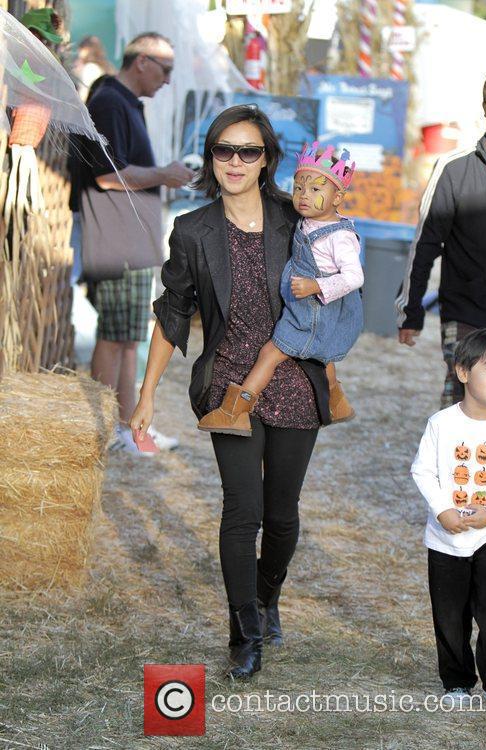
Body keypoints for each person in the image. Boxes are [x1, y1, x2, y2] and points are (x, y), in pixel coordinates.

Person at [130, 104, 333, 679]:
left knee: (282, 515)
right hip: (229, 389)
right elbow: (173, 314)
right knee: (241, 510)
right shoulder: (193, 230)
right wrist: (147, 395)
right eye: (225, 150)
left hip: (293, 378)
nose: (236, 162)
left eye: (249, 151)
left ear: (267, 159)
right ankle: (244, 632)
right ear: (211, 157)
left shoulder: (296, 222)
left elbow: (341, 278)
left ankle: (269, 597)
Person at [78, 32, 194, 454]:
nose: (167, 80)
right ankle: (103, 431)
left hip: (128, 239)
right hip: (115, 239)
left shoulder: (122, 103)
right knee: (115, 337)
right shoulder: (109, 102)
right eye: (165, 70)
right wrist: (163, 174)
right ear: (142, 61)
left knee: (128, 338)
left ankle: (127, 428)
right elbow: (108, 176)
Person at [197, 141, 363, 436]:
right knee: (321, 355)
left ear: (338, 196)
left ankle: (236, 410)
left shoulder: (339, 237)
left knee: (270, 354)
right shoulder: (308, 222)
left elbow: (354, 277)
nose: (303, 196)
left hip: (312, 312)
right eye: (299, 187)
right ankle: (337, 401)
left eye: (315, 190)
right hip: (305, 309)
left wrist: (316, 285)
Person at [396, 70, 486, 408]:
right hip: (467, 313)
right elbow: (425, 242)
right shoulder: (454, 169)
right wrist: (411, 311)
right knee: (465, 411)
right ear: (484, 110)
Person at [411, 328, 486, 709]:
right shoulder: (441, 423)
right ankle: (457, 682)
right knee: (450, 616)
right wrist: (443, 511)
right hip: (445, 539)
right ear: (463, 372)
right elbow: (422, 471)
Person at [73, 36, 116, 101]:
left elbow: (83, 96)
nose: (78, 53)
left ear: (86, 49)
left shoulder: (90, 68)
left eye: (80, 49)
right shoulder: (108, 67)